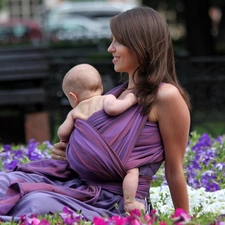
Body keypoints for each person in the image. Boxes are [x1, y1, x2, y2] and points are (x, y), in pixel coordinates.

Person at [0, 6, 190, 222]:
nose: (110, 48)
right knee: (4, 183)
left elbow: (174, 171)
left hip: (116, 201)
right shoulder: (115, 95)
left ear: (141, 45)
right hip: (81, 184)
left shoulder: (166, 96)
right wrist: (72, 150)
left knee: (34, 202)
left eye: (118, 41)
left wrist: (183, 218)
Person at [57, 63, 142, 212]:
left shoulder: (75, 111)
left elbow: (62, 133)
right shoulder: (106, 98)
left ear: (73, 96)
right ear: (101, 88)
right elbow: (114, 109)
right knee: (132, 171)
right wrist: (130, 100)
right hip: (107, 159)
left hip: (84, 164)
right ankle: (129, 202)